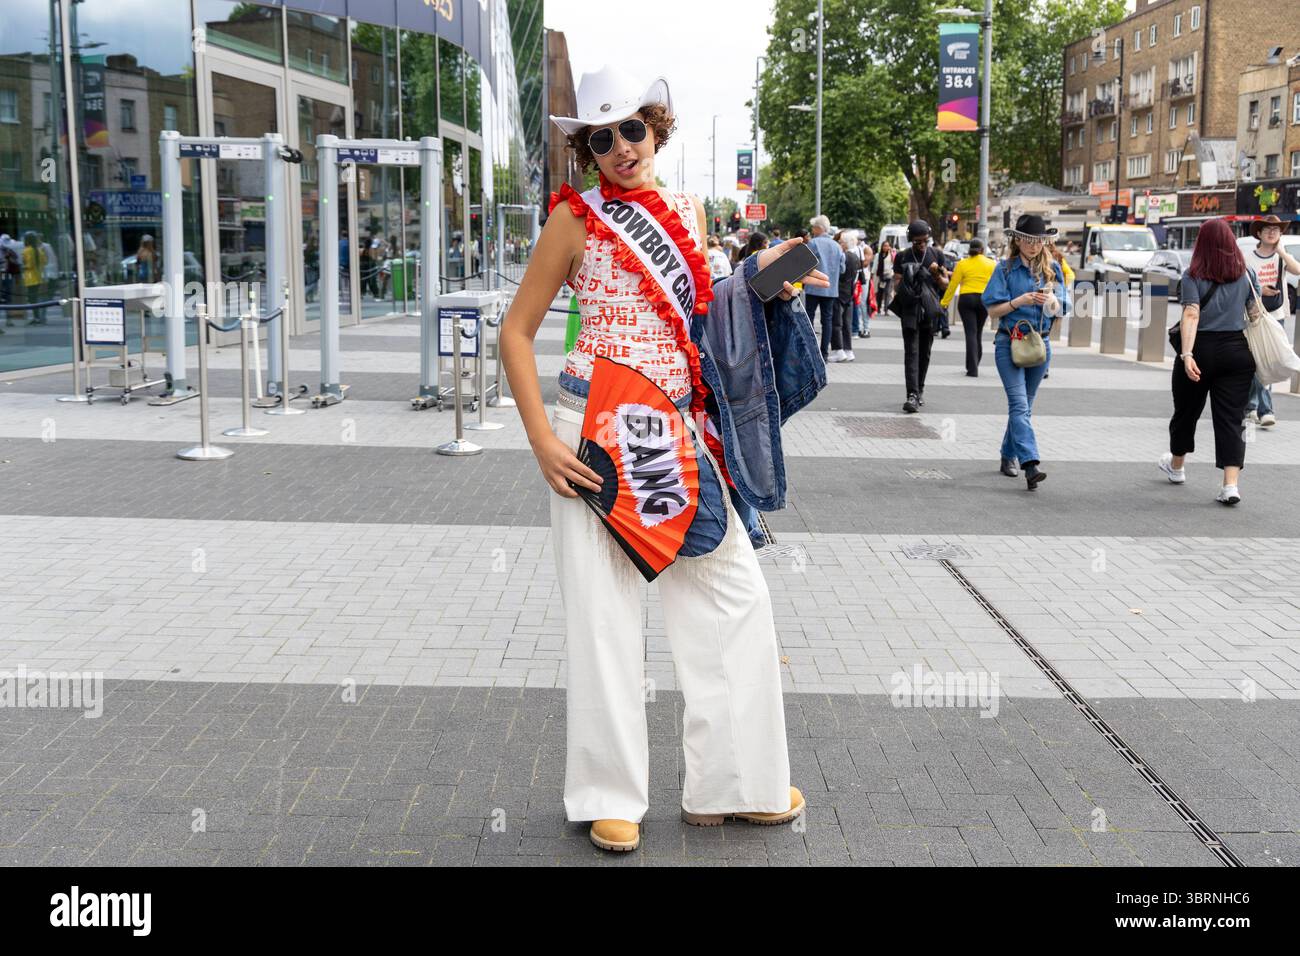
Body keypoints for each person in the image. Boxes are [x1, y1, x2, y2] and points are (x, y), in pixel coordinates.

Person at [498, 65, 811, 854]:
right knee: (602, 619)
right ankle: (610, 796)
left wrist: (773, 281)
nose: (617, 149)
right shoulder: (572, 219)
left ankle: (734, 783)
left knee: (730, 595)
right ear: (587, 150)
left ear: (655, 127)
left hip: (674, 433)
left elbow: (709, 306)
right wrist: (539, 437)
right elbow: (516, 330)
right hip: (594, 431)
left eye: (630, 130)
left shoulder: (686, 208)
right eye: (599, 139)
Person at [1158, 217, 1264, 505]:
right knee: (1232, 420)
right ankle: (1230, 485)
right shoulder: (1246, 273)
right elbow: (1255, 315)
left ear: (1201, 243)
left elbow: (1191, 314)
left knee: (1186, 412)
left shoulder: (1192, 274)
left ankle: (1177, 467)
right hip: (1236, 352)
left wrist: (1187, 354)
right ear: (1231, 242)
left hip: (1201, 349)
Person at [983, 214, 1069, 489]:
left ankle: (1007, 454)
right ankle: (1030, 464)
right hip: (1010, 343)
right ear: (1017, 240)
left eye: (1039, 241)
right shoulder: (1004, 269)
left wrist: (1052, 302)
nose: (1034, 246)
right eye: (1028, 240)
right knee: (1019, 405)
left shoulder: (1052, 269)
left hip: (1040, 345)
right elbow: (992, 309)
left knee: (1024, 408)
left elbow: (1064, 309)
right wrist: (1017, 301)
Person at [1242, 215, 1300, 428]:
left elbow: (1297, 270)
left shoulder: (1281, 257)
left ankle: (1262, 409)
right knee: (1256, 362)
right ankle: (1252, 408)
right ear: (1259, 233)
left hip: (1277, 316)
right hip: (1254, 316)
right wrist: (1260, 290)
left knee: (1271, 361)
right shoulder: (1248, 258)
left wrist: (1281, 251)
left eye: (1276, 230)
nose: (1272, 232)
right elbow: (1243, 284)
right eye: (1267, 229)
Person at [890, 220, 948, 412]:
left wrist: (936, 274)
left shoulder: (937, 255)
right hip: (910, 310)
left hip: (929, 310)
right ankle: (912, 395)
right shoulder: (902, 256)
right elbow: (896, 285)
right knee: (911, 353)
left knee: (925, 353)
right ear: (910, 240)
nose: (922, 244)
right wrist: (909, 275)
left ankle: (920, 389)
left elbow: (945, 284)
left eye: (925, 240)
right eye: (917, 242)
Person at [941, 237, 995, 377]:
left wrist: (944, 303)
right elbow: (996, 285)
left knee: (970, 333)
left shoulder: (962, 264)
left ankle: (972, 368)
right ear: (982, 250)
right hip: (983, 300)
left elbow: (953, 284)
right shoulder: (991, 264)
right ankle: (974, 364)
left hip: (966, 300)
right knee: (978, 333)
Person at [806, 215, 845, 362]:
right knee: (827, 321)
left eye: (813, 227)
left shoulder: (813, 243)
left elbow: (805, 264)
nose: (812, 230)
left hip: (813, 287)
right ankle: (824, 354)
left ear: (818, 228)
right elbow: (842, 269)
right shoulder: (837, 246)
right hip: (830, 289)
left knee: (809, 318)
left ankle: (809, 351)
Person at [830, 229, 861, 362]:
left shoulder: (843, 256)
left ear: (845, 243)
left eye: (841, 241)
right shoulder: (855, 257)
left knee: (837, 323)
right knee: (847, 324)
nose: (839, 243)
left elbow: (838, 274)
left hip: (839, 292)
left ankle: (839, 350)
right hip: (849, 293)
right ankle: (848, 350)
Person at [22, 232, 49, 324]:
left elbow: (29, 265)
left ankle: (36, 317)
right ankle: (37, 317)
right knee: (36, 298)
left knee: (32, 299)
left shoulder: (26, 250)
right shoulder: (39, 250)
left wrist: (23, 266)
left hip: (30, 277)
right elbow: (45, 261)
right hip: (38, 276)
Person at [873, 239, 894, 324]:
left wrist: (892, 254)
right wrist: (873, 274)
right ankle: (878, 308)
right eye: (884, 246)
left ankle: (886, 310)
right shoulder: (878, 255)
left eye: (887, 246)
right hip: (880, 276)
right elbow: (875, 265)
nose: (886, 247)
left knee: (887, 293)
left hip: (889, 276)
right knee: (879, 293)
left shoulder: (891, 255)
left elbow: (894, 264)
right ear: (882, 247)